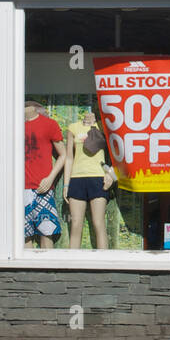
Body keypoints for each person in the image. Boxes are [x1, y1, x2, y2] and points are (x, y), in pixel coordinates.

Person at [64, 109, 112, 250]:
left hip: (98, 178)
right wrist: (66, 184)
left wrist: (111, 174)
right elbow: (69, 157)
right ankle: (72, 265)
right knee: (76, 224)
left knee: (98, 223)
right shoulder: (73, 128)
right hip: (77, 178)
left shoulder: (104, 126)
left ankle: (105, 265)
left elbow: (117, 154)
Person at [24, 100, 66, 248]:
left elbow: (63, 154)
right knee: (23, 237)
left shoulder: (49, 124)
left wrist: (50, 178)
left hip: (43, 188)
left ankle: (48, 270)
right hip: (19, 189)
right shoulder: (14, 125)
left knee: (47, 234)